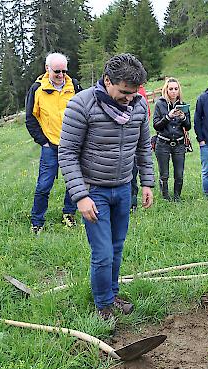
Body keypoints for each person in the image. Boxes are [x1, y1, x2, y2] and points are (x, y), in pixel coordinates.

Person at [58, 53, 155, 320]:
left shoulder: (137, 105)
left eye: (134, 93)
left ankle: (111, 295)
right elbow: (66, 153)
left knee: (117, 246)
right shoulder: (81, 105)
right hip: (94, 191)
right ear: (107, 81)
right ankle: (103, 306)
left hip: (124, 188)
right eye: (124, 92)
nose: (129, 98)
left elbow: (143, 147)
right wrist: (80, 196)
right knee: (102, 253)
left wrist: (147, 182)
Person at [26, 52, 82, 234]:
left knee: (74, 183)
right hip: (50, 146)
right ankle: (37, 221)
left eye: (64, 71)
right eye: (57, 71)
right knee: (44, 185)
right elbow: (30, 119)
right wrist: (43, 142)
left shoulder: (74, 86)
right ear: (47, 69)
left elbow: (85, 110)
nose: (61, 75)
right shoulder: (37, 89)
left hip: (73, 144)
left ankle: (69, 213)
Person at [153, 77, 190, 201]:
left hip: (179, 143)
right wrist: (168, 117)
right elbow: (156, 125)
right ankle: (165, 197)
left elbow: (188, 126)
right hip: (163, 142)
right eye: (171, 89)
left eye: (176, 89)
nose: (173, 91)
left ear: (179, 90)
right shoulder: (160, 104)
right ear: (166, 90)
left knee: (179, 174)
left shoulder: (183, 105)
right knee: (164, 174)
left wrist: (184, 117)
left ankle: (177, 197)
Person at [131, 84, 152, 210]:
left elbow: (146, 113)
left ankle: (132, 203)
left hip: (136, 139)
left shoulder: (141, 92)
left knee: (133, 173)